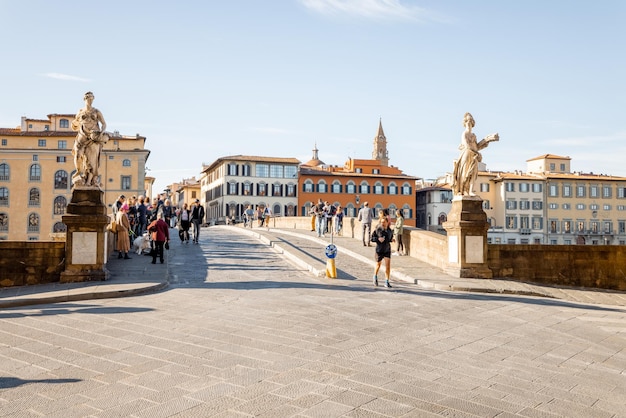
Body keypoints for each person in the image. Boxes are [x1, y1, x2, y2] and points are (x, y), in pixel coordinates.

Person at [452, 112, 499, 196]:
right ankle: (463, 191)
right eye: (467, 121)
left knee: (473, 174)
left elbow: (476, 147)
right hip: (466, 155)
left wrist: (488, 139)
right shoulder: (464, 134)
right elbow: (467, 146)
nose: (469, 122)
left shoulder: (473, 135)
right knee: (465, 173)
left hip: (474, 155)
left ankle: (470, 190)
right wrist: (476, 152)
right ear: (465, 122)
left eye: (471, 120)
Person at [71, 91, 109, 187]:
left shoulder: (96, 111)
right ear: (85, 99)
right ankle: (78, 171)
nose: (90, 100)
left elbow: (104, 123)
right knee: (77, 155)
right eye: (88, 98)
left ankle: (89, 181)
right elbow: (75, 124)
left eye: (92, 98)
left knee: (92, 161)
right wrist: (75, 123)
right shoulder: (80, 112)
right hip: (82, 136)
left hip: (93, 137)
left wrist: (101, 132)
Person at [371, 217, 394, 288]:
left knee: (388, 266)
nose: (383, 224)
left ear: (387, 223)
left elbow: (389, 238)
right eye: (381, 222)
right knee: (378, 264)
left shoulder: (390, 230)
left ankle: (386, 281)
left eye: (384, 222)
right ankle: (375, 276)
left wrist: (392, 240)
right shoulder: (378, 230)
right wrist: (378, 239)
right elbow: (372, 238)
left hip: (387, 249)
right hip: (379, 250)